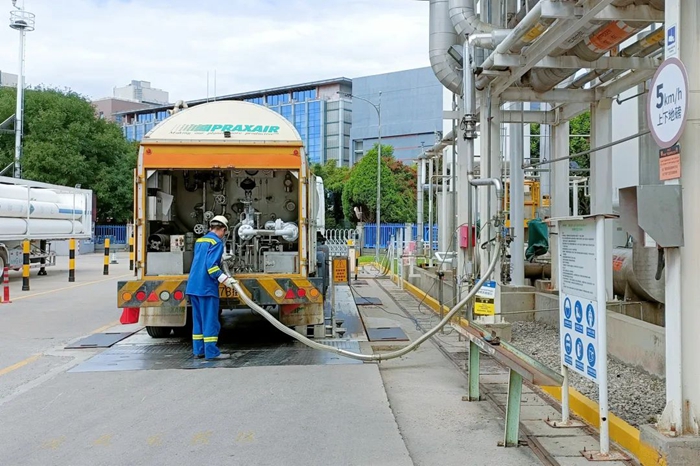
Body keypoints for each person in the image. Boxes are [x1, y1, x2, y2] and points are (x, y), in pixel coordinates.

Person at [185, 215, 236, 360]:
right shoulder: (217, 242)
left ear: (210, 227)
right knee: (210, 320)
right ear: (223, 230)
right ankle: (212, 353)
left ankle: (198, 351)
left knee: (198, 320)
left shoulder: (200, 241)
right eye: (224, 232)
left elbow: (202, 260)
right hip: (206, 287)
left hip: (193, 286)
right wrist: (226, 280)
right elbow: (211, 267)